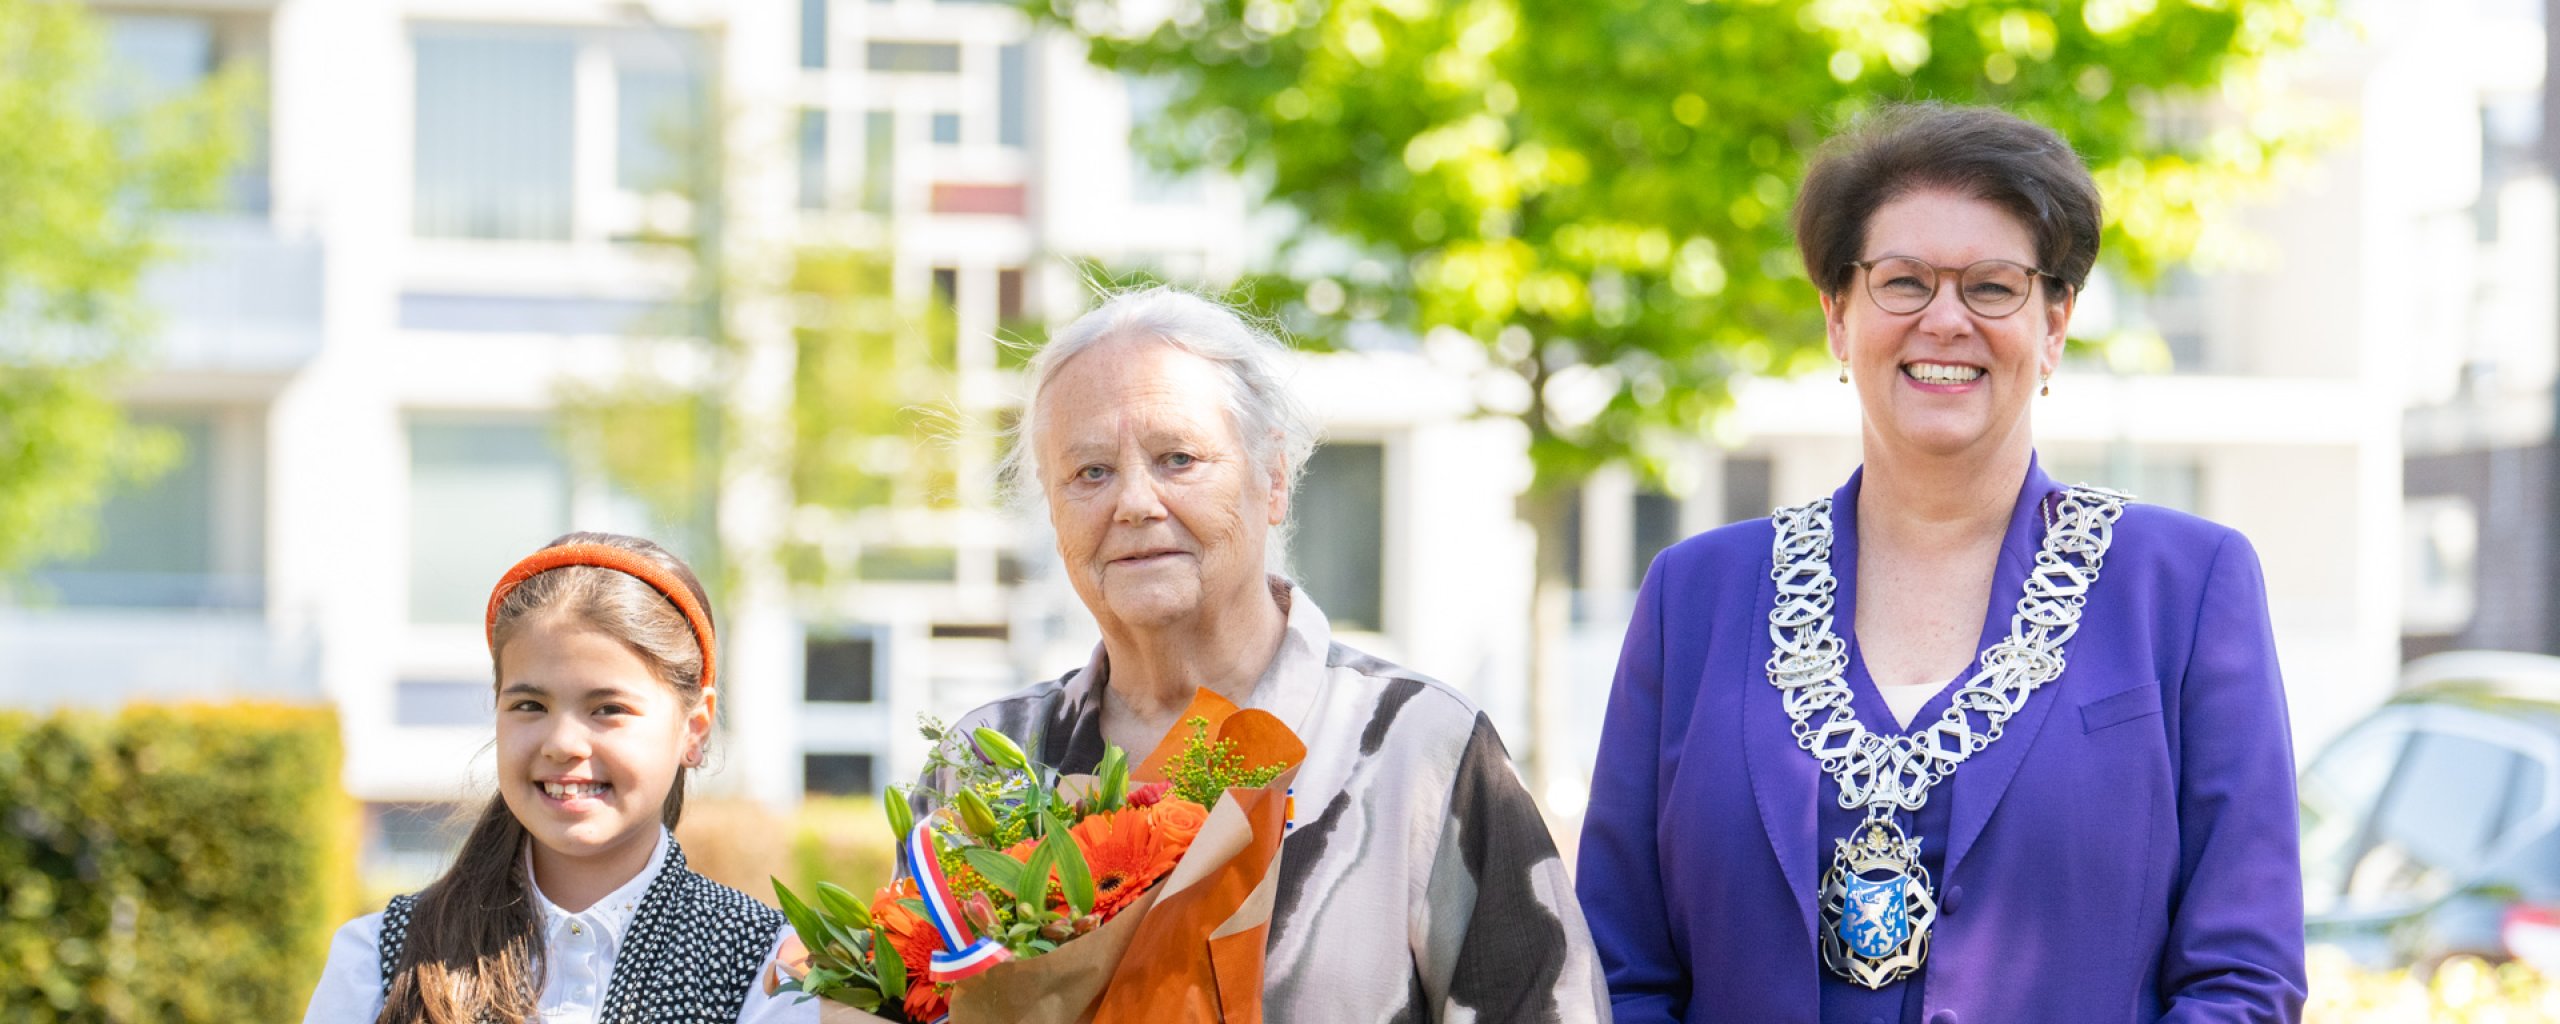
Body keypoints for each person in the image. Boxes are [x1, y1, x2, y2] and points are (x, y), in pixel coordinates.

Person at [1576, 104, 2306, 1023]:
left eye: (1993, 287)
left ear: (2054, 324)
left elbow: (2242, 981)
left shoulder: (2187, 589)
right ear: (1838, 317)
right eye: (1903, 282)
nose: (1946, 319)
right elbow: (1619, 972)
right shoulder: (1694, 598)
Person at [933, 287, 1610, 1022]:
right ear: (1052, 505)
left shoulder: (1418, 747)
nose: (1134, 503)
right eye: (1091, 472)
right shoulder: (986, 764)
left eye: (1178, 459)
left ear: (1275, 480)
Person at [303, 533, 810, 1024]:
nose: (563, 743)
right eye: (530, 705)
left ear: (693, 729)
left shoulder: (770, 971)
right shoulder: (379, 960)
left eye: (608, 708)